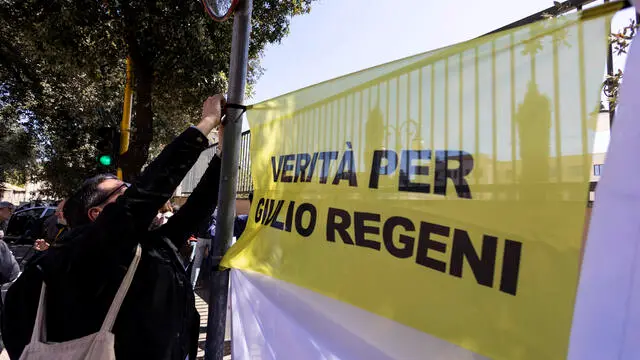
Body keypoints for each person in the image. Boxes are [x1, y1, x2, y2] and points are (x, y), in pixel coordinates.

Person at [2, 95, 227, 360]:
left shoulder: (148, 248)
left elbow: (197, 208)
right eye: (123, 191)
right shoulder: (80, 255)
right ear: (97, 214)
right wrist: (207, 123)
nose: (133, 192)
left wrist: (224, 150)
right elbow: (146, 194)